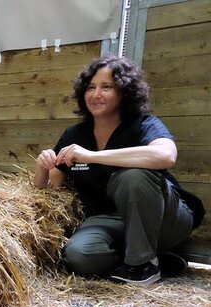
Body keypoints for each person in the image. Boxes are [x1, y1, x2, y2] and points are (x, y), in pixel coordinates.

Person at [34, 54, 204, 285]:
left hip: (165, 216)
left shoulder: (145, 124)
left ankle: (141, 266)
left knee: (133, 176)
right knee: (78, 256)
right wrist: (42, 168)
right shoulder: (74, 135)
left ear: (124, 92)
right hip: (110, 218)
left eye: (106, 87)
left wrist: (93, 156)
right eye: (90, 87)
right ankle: (156, 259)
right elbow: (51, 190)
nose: (95, 94)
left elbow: (166, 155)